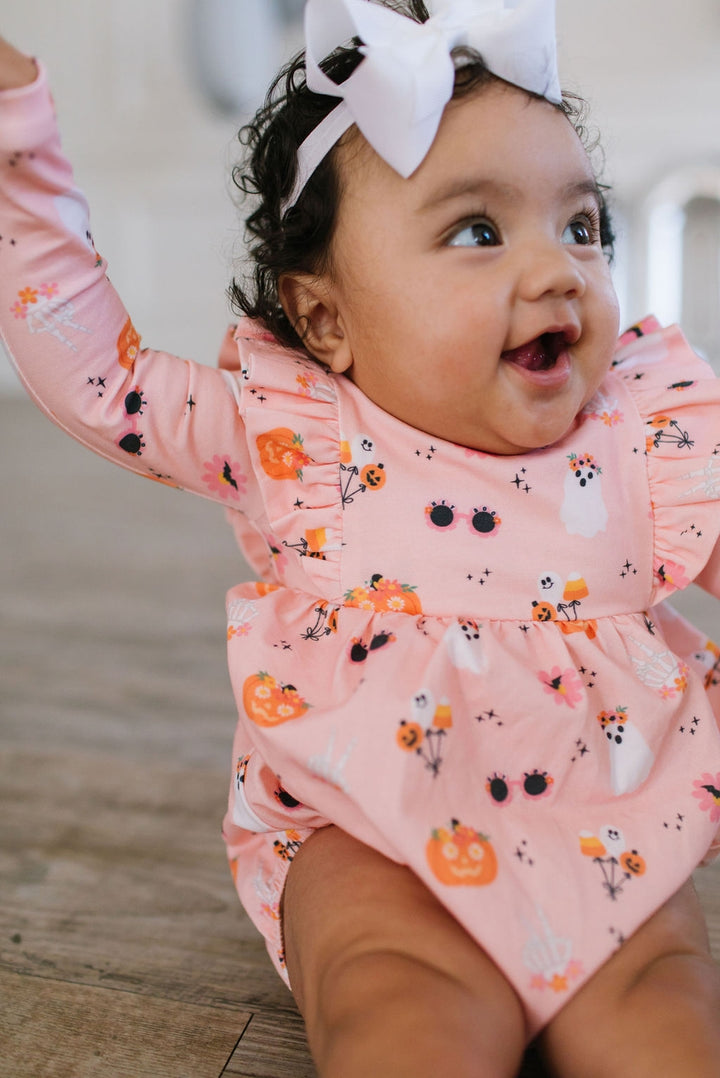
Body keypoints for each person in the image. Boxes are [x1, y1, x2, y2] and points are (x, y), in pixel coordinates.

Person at [2, 1, 720, 1074]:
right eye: (477, 232)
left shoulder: (644, 434)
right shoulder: (299, 439)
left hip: (608, 828)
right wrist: (18, 144)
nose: (558, 269)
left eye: (581, 226)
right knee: (404, 1014)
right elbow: (102, 378)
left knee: (668, 1021)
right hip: (365, 830)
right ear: (327, 320)